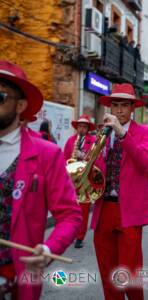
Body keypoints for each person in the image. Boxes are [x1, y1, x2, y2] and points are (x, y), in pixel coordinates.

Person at [0, 60, 82, 300]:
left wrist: (49, 249)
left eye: (0, 96)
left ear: (21, 105)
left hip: (17, 278)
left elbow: (70, 215)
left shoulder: (47, 154)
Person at [91, 83, 148, 300]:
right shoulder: (102, 133)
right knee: (108, 274)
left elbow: (146, 163)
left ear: (132, 109)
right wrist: (85, 163)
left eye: (124, 105)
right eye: (115, 105)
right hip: (104, 209)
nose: (119, 110)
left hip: (130, 211)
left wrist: (122, 134)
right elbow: (98, 170)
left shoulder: (145, 132)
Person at [64, 114, 96, 249]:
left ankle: (79, 237)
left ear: (88, 128)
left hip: (85, 180)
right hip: (72, 180)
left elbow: (97, 159)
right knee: (71, 209)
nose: (81, 129)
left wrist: (83, 156)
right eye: (80, 126)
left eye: (84, 126)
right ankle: (70, 234)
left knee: (84, 210)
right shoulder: (70, 140)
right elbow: (64, 158)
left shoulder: (93, 140)